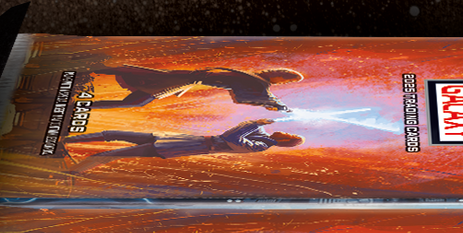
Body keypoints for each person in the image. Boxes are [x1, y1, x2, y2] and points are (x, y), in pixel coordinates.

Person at [88, 63, 305, 112]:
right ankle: (82, 106)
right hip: (184, 80)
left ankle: (93, 68)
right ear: (279, 75)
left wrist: (273, 103)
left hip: (186, 79)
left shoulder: (251, 76)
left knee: (143, 77)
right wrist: (280, 107)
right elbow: (254, 96)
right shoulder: (257, 81)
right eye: (287, 80)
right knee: (137, 100)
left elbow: (251, 95)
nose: (284, 83)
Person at [64, 120, 303, 161]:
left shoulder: (261, 146)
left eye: (289, 137)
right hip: (179, 139)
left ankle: (70, 172)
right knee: (113, 134)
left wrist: (253, 123)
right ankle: (66, 140)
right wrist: (257, 123)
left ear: (285, 142)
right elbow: (241, 129)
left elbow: (231, 137)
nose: (286, 133)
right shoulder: (261, 135)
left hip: (185, 146)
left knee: (109, 154)